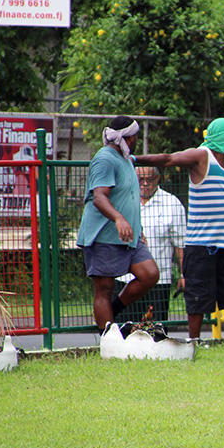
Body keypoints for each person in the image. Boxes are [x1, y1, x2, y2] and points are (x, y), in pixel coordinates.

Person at [134, 118, 224, 346]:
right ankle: (194, 341)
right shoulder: (202, 156)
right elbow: (170, 158)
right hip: (203, 244)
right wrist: (132, 159)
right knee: (198, 295)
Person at [76, 115, 158, 330]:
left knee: (149, 274)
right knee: (104, 287)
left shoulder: (125, 159)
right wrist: (119, 218)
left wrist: (136, 229)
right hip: (104, 234)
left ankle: (113, 312)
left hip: (129, 236)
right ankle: (108, 339)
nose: (137, 140)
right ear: (129, 138)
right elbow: (99, 197)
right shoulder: (105, 159)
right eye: (136, 136)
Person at [113, 167, 186, 323]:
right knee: (124, 330)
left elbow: (180, 244)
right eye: (140, 180)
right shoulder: (122, 201)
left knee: (155, 331)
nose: (145, 184)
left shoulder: (172, 204)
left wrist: (183, 274)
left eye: (150, 180)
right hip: (125, 279)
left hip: (158, 281)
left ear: (158, 179)